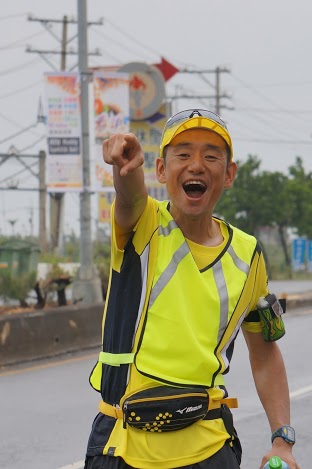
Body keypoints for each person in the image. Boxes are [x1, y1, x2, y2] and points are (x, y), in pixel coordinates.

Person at [84, 109, 300, 469]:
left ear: (229, 174)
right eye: (182, 154)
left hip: (210, 449)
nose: (196, 165)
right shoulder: (144, 223)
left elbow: (264, 355)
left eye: (211, 156)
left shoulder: (249, 255)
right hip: (122, 449)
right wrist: (126, 165)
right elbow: (129, 196)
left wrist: (282, 439)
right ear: (161, 171)